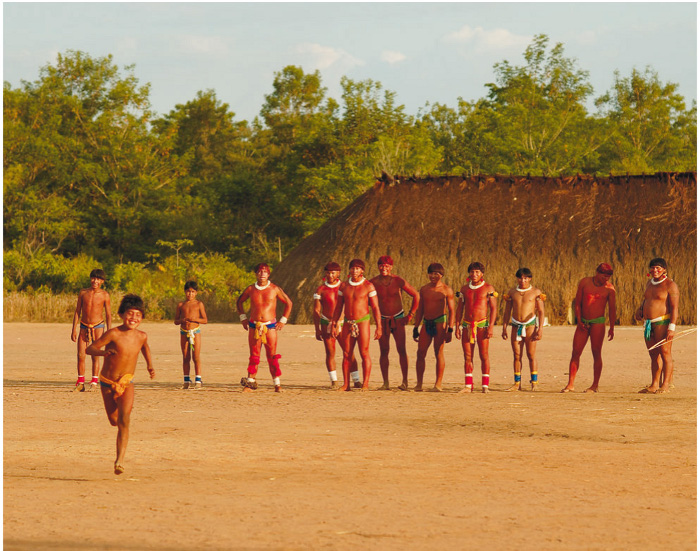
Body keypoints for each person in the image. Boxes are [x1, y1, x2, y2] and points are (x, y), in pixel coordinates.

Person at [86, 294, 154, 475]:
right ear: (122, 314)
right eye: (130, 314)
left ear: (142, 318)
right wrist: (103, 354)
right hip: (108, 383)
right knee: (114, 421)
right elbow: (89, 348)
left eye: (138, 315)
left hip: (126, 382)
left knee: (125, 420)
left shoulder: (142, 336)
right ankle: (119, 449)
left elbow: (145, 347)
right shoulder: (113, 333)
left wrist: (149, 365)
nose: (134, 318)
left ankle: (120, 461)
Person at [237, 263, 293, 392]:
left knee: (272, 356)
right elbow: (239, 302)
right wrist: (243, 318)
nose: (262, 274)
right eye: (260, 272)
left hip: (270, 326)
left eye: (265, 272)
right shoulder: (251, 289)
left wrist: (283, 320)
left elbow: (288, 303)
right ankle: (250, 382)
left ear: (268, 274)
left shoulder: (274, 289)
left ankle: (277, 384)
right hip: (254, 326)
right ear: (256, 274)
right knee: (254, 355)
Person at [561, 263, 617, 393]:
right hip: (583, 322)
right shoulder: (585, 282)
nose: (606, 279)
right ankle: (570, 384)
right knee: (575, 352)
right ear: (597, 273)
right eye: (604, 276)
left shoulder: (609, 288)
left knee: (596, 352)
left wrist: (612, 327)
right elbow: (578, 303)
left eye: (608, 277)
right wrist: (579, 320)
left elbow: (612, 310)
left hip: (598, 322)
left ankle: (595, 385)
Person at [330, 259, 382, 391]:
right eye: (352, 268)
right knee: (347, 353)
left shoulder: (368, 286)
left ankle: (365, 383)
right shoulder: (344, 286)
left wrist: (379, 326)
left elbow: (375, 307)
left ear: (362, 270)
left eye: (357, 268)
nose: (354, 271)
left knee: (364, 353)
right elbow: (338, 307)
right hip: (348, 322)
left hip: (362, 321)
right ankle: (346, 384)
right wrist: (334, 323)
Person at [370, 256, 420, 391]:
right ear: (378, 266)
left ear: (391, 267)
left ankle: (405, 382)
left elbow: (416, 295)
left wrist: (410, 315)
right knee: (384, 351)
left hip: (398, 319)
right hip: (382, 320)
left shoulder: (398, 281)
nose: (383, 268)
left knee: (401, 350)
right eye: (381, 265)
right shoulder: (372, 282)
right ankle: (385, 382)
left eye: (386, 266)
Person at [313, 262, 361, 389]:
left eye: (333, 272)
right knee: (330, 352)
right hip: (326, 322)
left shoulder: (345, 286)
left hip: (342, 323)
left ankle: (356, 380)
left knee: (349, 352)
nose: (330, 275)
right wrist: (317, 329)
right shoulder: (321, 289)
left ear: (338, 273)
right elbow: (317, 311)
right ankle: (334, 380)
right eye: (328, 272)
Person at [635, 258, 680, 394]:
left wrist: (671, 327)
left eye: (658, 268)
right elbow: (646, 300)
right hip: (649, 324)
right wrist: (640, 309)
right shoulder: (649, 283)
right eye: (653, 268)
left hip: (663, 323)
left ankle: (665, 384)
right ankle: (654, 384)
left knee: (665, 353)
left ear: (664, 269)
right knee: (653, 354)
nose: (655, 270)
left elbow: (674, 308)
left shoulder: (670, 285)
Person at [455, 262, 498, 393]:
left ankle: (485, 385)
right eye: (472, 272)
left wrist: (491, 326)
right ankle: (468, 385)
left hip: (482, 325)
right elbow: (460, 309)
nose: (474, 274)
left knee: (484, 355)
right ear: (469, 273)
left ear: (482, 274)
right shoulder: (464, 289)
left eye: (477, 272)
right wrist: (457, 326)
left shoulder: (488, 288)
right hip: (467, 325)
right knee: (468, 356)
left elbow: (494, 308)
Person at [412, 263, 455, 392]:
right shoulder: (424, 289)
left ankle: (438, 384)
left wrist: (450, 329)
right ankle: (419, 383)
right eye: (431, 273)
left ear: (441, 275)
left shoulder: (447, 290)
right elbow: (420, 309)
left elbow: (452, 311)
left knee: (438, 352)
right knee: (420, 352)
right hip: (427, 322)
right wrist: (416, 327)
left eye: (436, 273)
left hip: (440, 322)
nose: (433, 276)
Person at [501, 268, 545, 391]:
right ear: (517, 278)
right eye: (520, 278)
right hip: (515, 326)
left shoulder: (536, 292)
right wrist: (504, 327)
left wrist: (540, 329)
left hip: (530, 326)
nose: (523, 280)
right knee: (517, 355)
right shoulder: (512, 292)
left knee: (531, 355)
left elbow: (541, 311)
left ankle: (534, 383)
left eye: (525, 278)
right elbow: (507, 311)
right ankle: (517, 383)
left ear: (530, 278)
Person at [71, 269, 112, 392]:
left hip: (98, 326)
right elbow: (78, 311)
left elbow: (108, 314)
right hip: (84, 326)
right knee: (81, 354)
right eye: (93, 278)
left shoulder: (105, 295)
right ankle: (80, 381)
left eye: (98, 279)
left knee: (95, 355)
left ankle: (94, 380)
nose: (95, 281)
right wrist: (74, 329)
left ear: (102, 281)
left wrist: (109, 332)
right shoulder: (83, 293)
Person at [174, 281, 208, 389]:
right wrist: (182, 320)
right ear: (185, 292)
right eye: (188, 292)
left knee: (196, 356)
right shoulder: (181, 305)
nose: (190, 294)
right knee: (185, 357)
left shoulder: (199, 304)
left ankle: (198, 379)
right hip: (184, 332)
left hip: (195, 332)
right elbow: (175, 321)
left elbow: (205, 320)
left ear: (196, 293)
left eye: (193, 292)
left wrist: (195, 319)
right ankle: (186, 380)